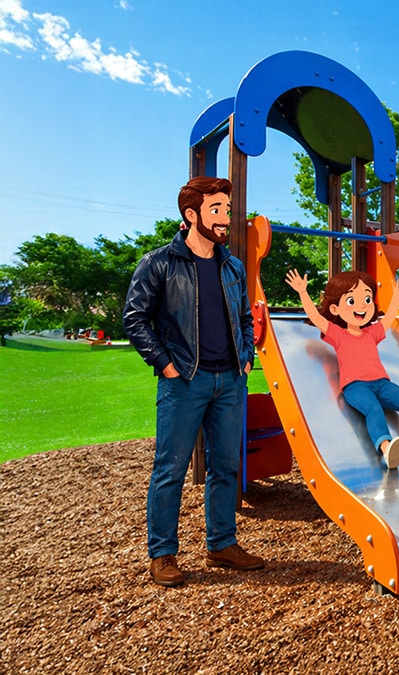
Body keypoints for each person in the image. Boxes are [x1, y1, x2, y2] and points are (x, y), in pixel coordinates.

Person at [123, 176, 265, 588]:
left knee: (226, 467)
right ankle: (162, 554)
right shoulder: (160, 263)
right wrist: (166, 365)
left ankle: (222, 544)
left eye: (227, 210)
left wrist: (246, 358)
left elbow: (242, 316)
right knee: (171, 468)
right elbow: (135, 319)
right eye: (217, 210)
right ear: (192, 215)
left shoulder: (232, 265)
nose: (225, 218)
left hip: (230, 382)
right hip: (184, 381)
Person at [284, 268, 399, 468]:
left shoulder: (371, 333)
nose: (362, 305)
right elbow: (317, 319)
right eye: (352, 301)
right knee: (373, 408)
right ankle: (387, 449)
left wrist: (396, 296)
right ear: (335, 309)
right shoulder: (338, 334)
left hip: (381, 384)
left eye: (367, 299)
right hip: (355, 387)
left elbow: (388, 318)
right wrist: (302, 292)